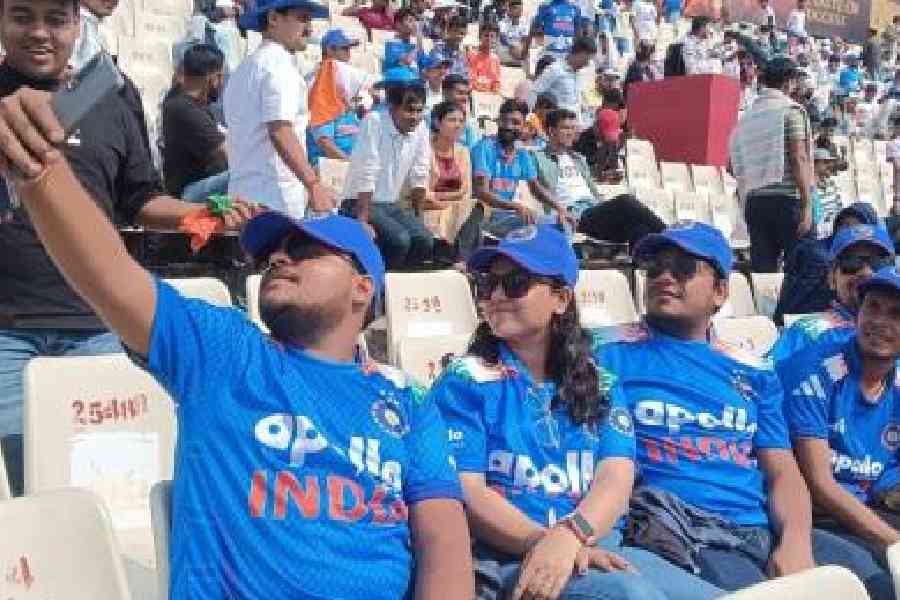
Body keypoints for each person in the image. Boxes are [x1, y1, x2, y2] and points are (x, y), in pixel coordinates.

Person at [0, 69, 477, 594]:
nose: (279, 258)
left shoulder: (408, 399)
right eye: (273, 251)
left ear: (363, 288)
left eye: (304, 250)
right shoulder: (225, 351)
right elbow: (109, 275)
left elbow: (444, 545)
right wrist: (39, 171)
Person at [0, 0, 260, 497]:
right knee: (23, 488)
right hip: (7, 333)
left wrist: (199, 214)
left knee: (110, 485)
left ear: (76, 24)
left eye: (55, 19)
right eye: (22, 17)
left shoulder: (112, 96)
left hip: (97, 325)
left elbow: (138, 199)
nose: (39, 32)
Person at [593, 222, 896, 597]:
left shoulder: (753, 371)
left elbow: (782, 470)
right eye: (654, 268)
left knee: (877, 583)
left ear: (720, 292)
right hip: (682, 527)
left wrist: (795, 540)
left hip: (760, 526)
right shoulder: (605, 354)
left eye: (684, 268)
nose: (664, 277)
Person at [431, 225, 723, 600]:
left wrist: (572, 535)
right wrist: (545, 543)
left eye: (517, 283)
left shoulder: (599, 381)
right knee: (629, 596)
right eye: (488, 286)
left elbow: (615, 476)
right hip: (511, 553)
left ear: (561, 298)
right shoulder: (465, 380)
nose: (498, 296)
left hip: (597, 543)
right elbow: (467, 489)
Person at [780, 266, 900, 600]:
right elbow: (821, 486)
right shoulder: (816, 370)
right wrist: (895, 543)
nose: (879, 322)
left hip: (869, 505)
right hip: (816, 518)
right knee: (883, 584)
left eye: (895, 314)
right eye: (872, 307)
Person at [225, 0, 335, 218]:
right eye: (302, 18)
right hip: (275, 199)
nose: (310, 28)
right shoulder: (279, 65)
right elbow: (280, 130)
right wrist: (313, 184)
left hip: (242, 197)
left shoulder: (243, 69)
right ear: (274, 18)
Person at [342, 71, 434, 270]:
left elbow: (420, 173)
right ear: (392, 106)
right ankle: (379, 281)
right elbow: (368, 170)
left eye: (419, 111)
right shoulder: (374, 121)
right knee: (399, 240)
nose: (415, 117)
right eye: (409, 110)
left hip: (390, 204)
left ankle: (403, 281)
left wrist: (418, 218)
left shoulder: (421, 129)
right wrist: (362, 220)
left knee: (424, 239)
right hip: (358, 202)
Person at [730, 57, 814, 273]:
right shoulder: (790, 111)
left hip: (754, 203)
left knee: (764, 273)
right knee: (804, 269)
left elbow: (732, 165)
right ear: (788, 82)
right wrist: (807, 205)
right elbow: (798, 158)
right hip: (787, 201)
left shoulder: (746, 118)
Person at [535, 109, 664, 247]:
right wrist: (560, 211)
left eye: (573, 128)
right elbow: (534, 185)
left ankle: (652, 256)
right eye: (565, 128)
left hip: (594, 209)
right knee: (626, 201)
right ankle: (671, 234)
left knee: (639, 229)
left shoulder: (578, 159)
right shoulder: (537, 158)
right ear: (551, 131)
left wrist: (604, 177)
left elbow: (591, 182)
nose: (571, 133)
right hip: (575, 214)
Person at [770, 221, 894, 361]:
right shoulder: (805, 335)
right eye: (851, 262)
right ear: (831, 278)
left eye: (878, 263)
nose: (866, 272)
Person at [471, 99, 564, 237]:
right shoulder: (484, 148)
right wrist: (516, 206)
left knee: (560, 224)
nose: (508, 126)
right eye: (504, 121)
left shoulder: (521, 153)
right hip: (484, 215)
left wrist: (560, 209)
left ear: (523, 126)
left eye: (515, 122)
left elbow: (536, 188)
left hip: (508, 214)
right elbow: (482, 193)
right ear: (498, 121)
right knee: (533, 225)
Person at [162, 44, 230, 201]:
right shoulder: (185, 109)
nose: (222, 83)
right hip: (189, 193)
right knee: (247, 175)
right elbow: (227, 155)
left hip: (198, 186)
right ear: (212, 78)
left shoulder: (179, 98)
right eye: (221, 77)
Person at [306, 29, 370, 166]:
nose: (349, 53)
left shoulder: (342, 89)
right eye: (345, 48)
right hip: (329, 167)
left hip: (349, 164)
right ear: (330, 50)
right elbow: (325, 143)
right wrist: (352, 165)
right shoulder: (320, 89)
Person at [419, 101, 473, 260]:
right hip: (428, 209)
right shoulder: (423, 150)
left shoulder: (463, 152)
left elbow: (466, 191)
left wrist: (449, 201)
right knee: (463, 214)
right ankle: (456, 258)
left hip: (457, 209)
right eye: (452, 120)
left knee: (476, 208)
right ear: (437, 123)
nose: (458, 125)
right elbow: (422, 194)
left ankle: (461, 259)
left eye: (461, 121)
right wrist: (449, 201)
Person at [529, 36, 597, 126]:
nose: (587, 64)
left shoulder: (580, 74)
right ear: (579, 53)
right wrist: (531, 118)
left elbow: (577, 102)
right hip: (558, 124)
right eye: (586, 59)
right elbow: (534, 91)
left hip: (575, 123)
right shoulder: (555, 70)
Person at [524, 0, 589, 74]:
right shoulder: (545, 6)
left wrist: (578, 53)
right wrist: (526, 49)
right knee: (542, 78)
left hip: (567, 55)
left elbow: (578, 32)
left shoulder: (575, 8)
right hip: (549, 54)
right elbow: (534, 27)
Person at [574, 105, 623, 179]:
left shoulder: (613, 141)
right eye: (603, 135)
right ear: (596, 126)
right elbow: (580, 168)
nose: (607, 140)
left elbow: (614, 163)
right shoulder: (582, 141)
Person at [441, 73, 481, 149]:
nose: (465, 98)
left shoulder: (469, 123)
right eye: (460, 93)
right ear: (445, 93)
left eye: (467, 94)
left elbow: (473, 149)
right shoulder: (431, 117)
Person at [384, 7, 421, 74]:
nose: (414, 24)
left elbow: (423, 62)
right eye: (410, 21)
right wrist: (417, 35)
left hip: (412, 77)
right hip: (396, 77)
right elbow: (408, 60)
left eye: (414, 21)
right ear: (398, 24)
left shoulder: (412, 43)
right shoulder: (392, 43)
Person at [467, 21, 501, 93]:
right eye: (486, 35)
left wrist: (495, 89)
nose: (489, 39)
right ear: (480, 37)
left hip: (490, 93)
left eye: (492, 36)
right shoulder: (472, 55)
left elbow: (496, 81)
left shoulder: (495, 58)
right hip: (475, 92)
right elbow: (471, 79)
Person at [498, 0, 529, 66]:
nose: (519, 11)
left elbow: (525, 38)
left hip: (519, 49)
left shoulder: (525, 22)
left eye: (521, 9)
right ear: (510, 9)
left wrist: (519, 48)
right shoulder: (503, 22)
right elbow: (502, 39)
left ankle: (516, 61)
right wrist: (511, 46)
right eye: (516, 8)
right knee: (501, 49)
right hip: (507, 48)